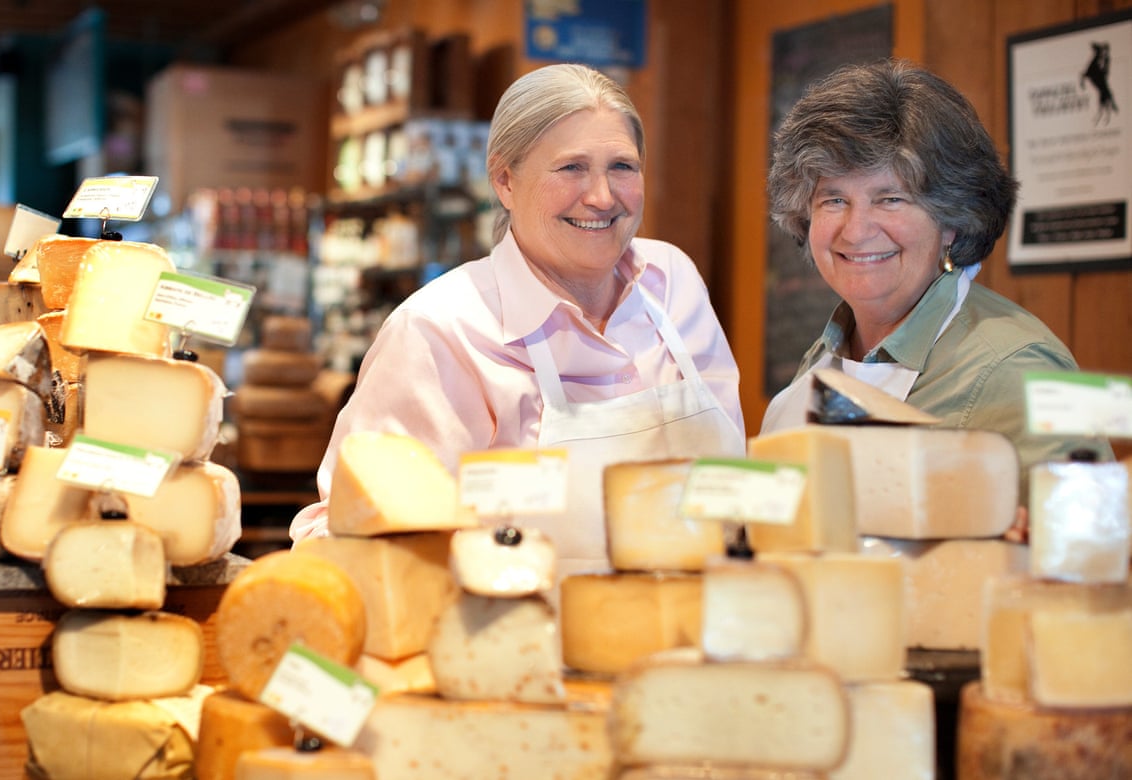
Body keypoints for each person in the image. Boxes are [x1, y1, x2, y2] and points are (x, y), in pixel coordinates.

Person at [291, 63, 746, 574]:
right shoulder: (439, 330)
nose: (601, 196)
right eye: (571, 167)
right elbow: (340, 534)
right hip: (519, 643)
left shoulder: (672, 281)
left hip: (698, 636)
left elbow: (730, 481)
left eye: (622, 166)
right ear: (506, 181)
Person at [761, 58, 1112, 530]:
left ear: (952, 222)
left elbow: (1098, 547)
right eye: (834, 200)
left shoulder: (1028, 367)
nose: (857, 229)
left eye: (891, 198)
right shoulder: (827, 356)